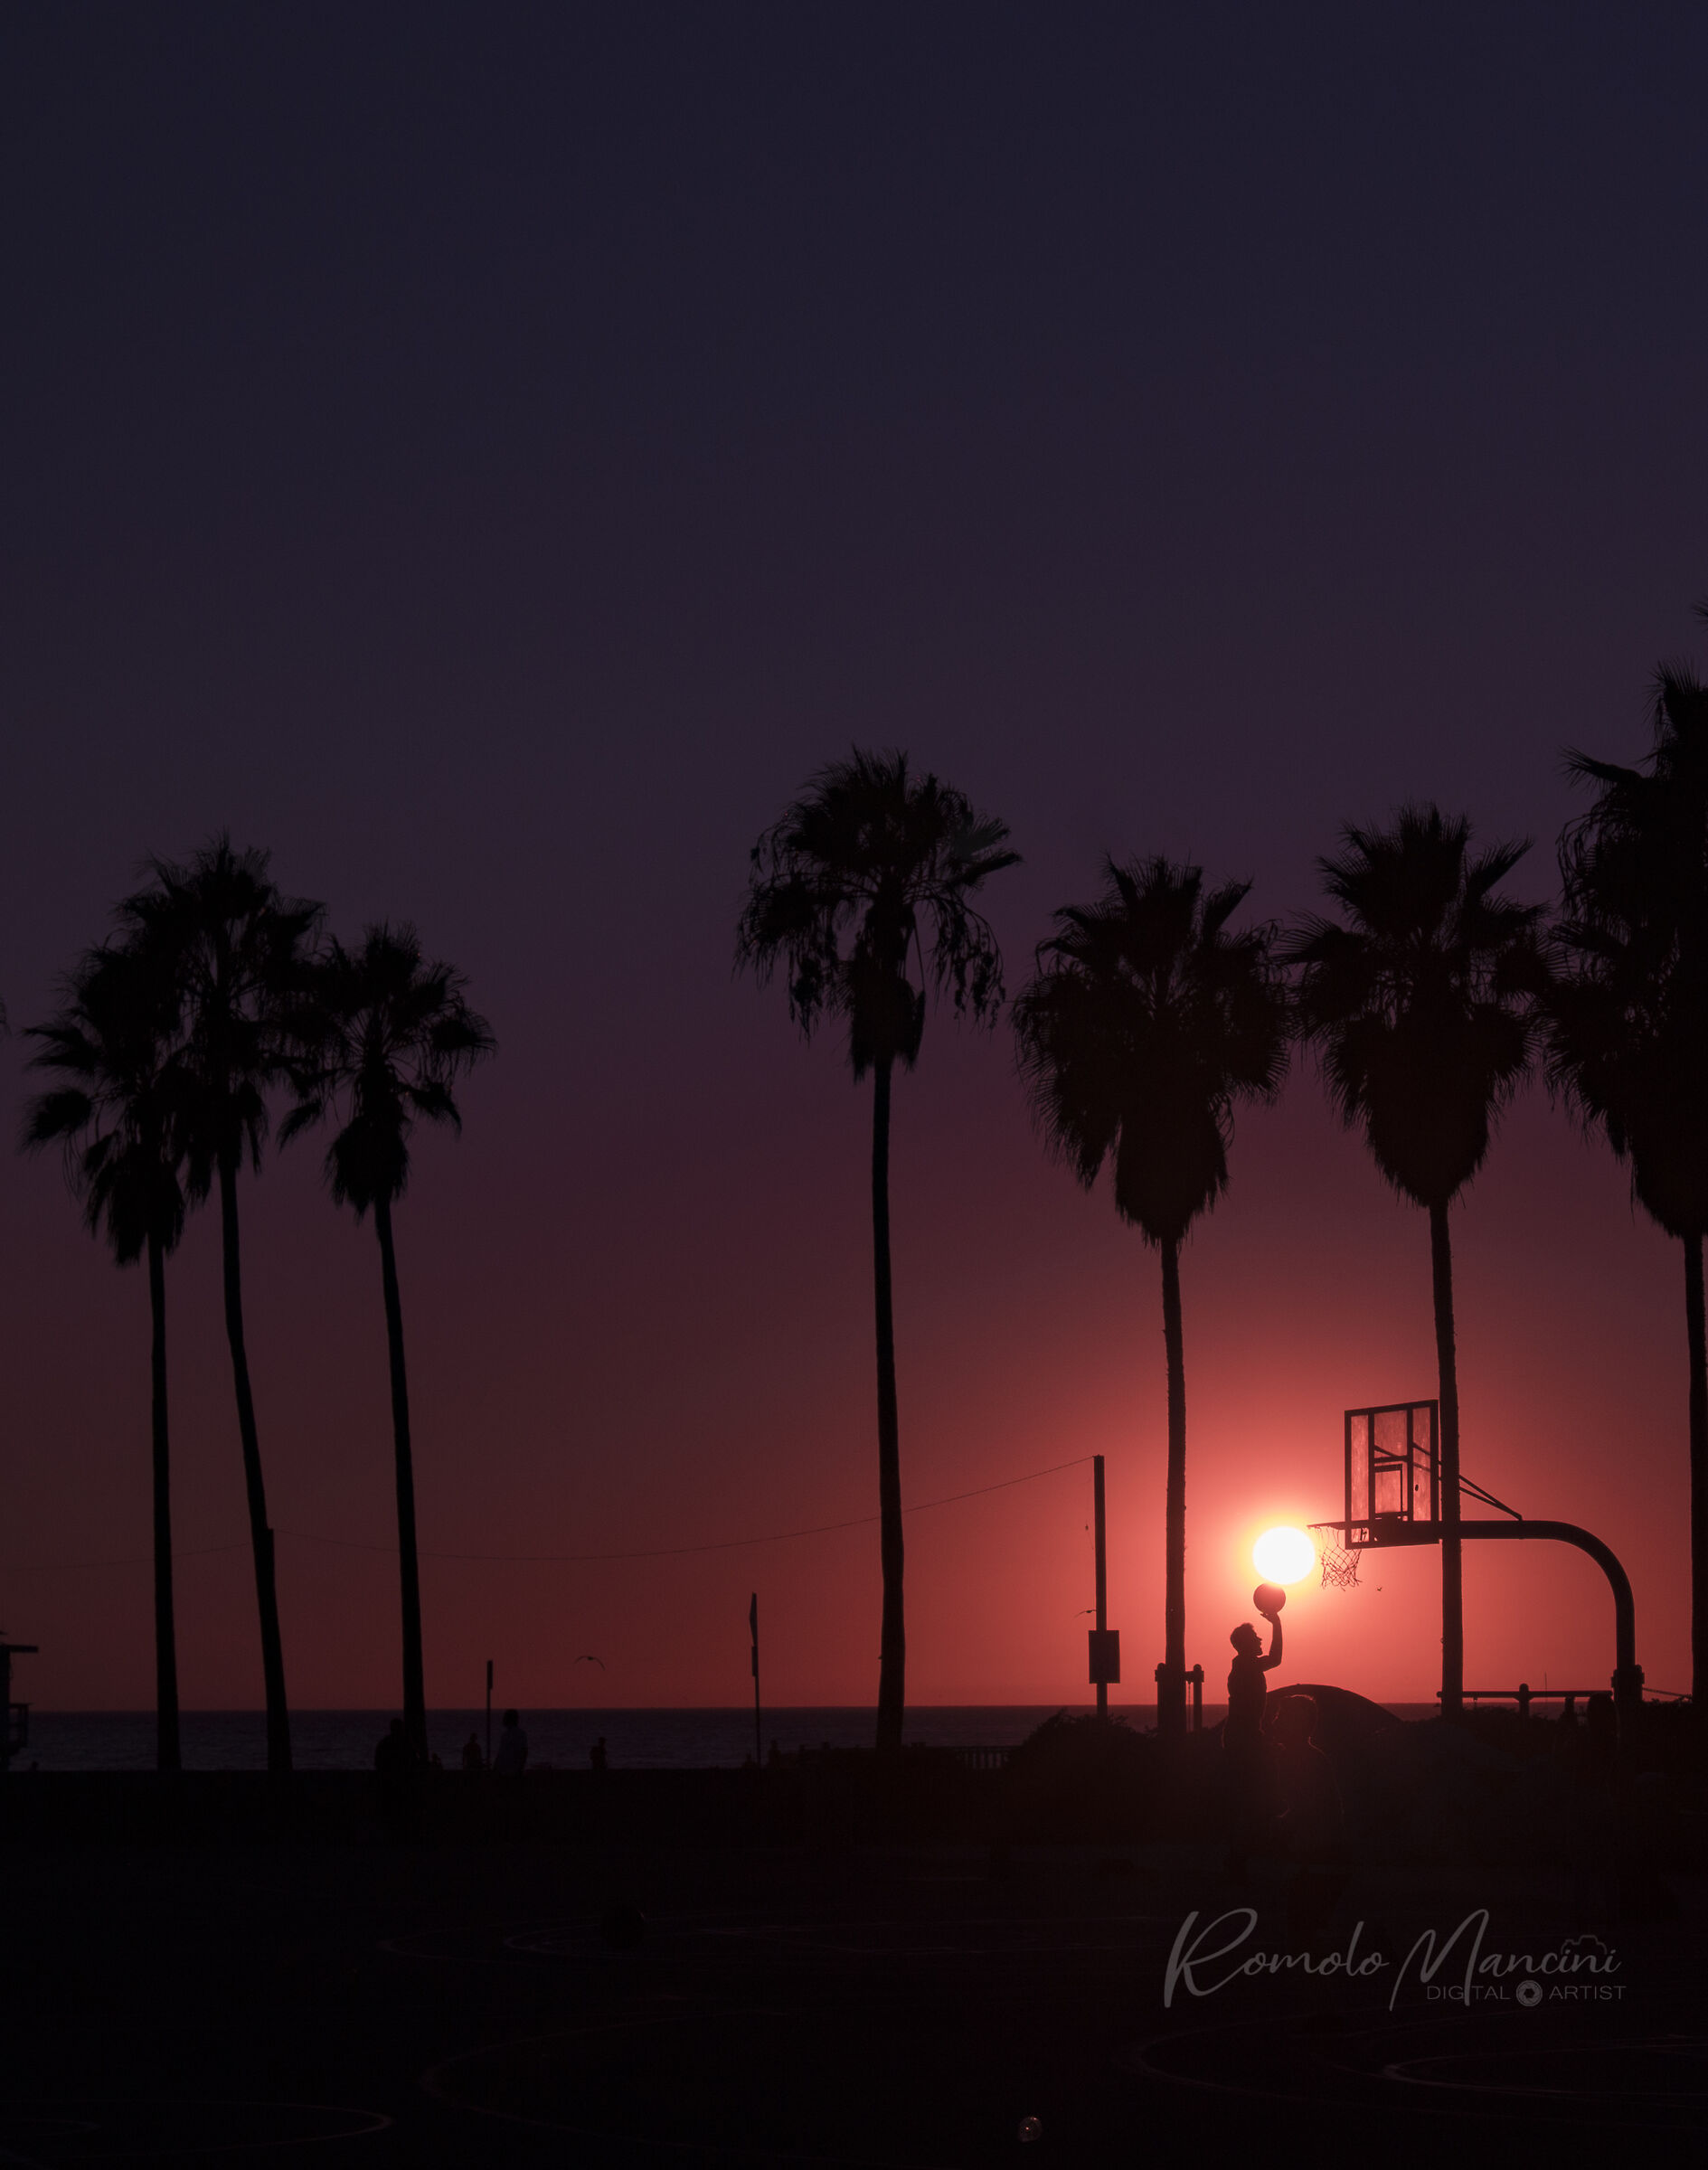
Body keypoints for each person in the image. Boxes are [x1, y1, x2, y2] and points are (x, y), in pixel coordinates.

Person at [1222, 1599, 1283, 1878]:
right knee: (1251, 1799)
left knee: (1250, 1798)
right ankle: (1240, 1858)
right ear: (1247, 1644)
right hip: (1244, 1740)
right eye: (1256, 1637)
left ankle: (1241, 1857)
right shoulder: (1247, 1668)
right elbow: (1276, 1658)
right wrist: (1277, 1623)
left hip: (1244, 1738)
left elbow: (1274, 1659)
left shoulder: (1245, 1666)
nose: (1260, 1640)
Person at [493, 1708, 529, 1776]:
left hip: (512, 1772)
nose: (503, 1720)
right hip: (507, 1771)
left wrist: (519, 1769)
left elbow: (524, 1752)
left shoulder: (517, 1734)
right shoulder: (507, 1735)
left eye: (505, 1717)